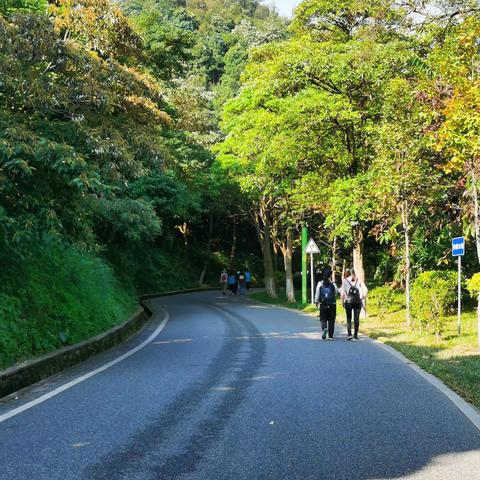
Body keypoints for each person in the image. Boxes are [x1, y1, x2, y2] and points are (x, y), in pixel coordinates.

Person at [341, 268, 368, 341]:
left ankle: (349, 335)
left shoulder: (345, 281)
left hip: (348, 301)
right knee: (356, 319)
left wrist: (342, 302)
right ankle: (355, 336)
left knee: (349, 318)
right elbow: (365, 290)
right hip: (357, 302)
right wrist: (362, 297)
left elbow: (342, 293)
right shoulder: (359, 280)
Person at [315, 267, 339, 340]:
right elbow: (336, 292)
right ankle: (330, 336)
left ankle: (324, 329)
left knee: (323, 319)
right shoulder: (333, 284)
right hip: (332, 304)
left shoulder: (320, 283)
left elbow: (317, 293)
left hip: (323, 303)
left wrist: (316, 301)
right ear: (330, 275)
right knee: (331, 320)